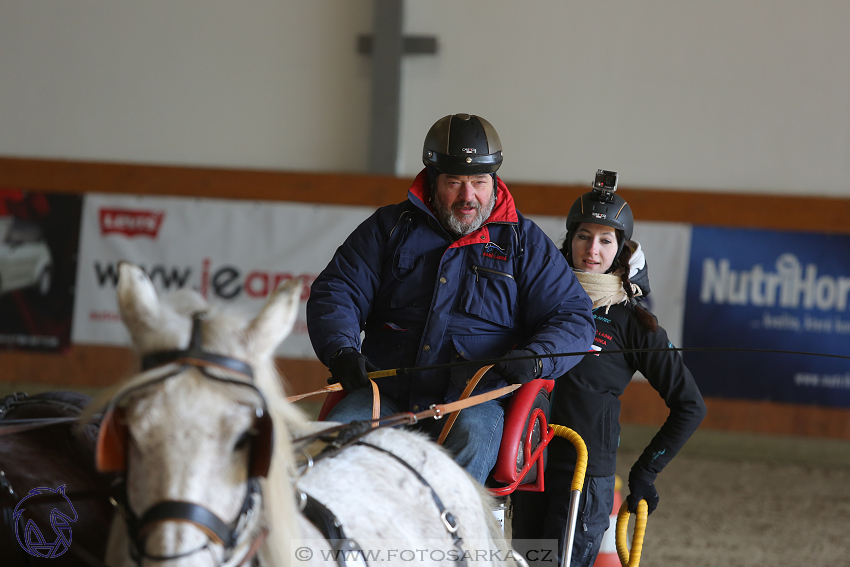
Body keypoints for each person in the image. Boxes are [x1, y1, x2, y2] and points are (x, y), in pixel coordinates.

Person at [306, 113, 595, 485]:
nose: (468, 197)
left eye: (479, 182)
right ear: (431, 180)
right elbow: (337, 291)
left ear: (494, 181)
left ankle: (443, 542)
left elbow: (572, 317)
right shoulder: (388, 228)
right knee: (332, 442)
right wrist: (341, 350)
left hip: (475, 401)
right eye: (454, 182)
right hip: (384, 392)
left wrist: (537, 358)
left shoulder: (524, 242)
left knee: (472, 440)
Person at [510, 175, 707, 566]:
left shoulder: (634, 323)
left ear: (619, 250)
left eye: (605, 240)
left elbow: (690, 405)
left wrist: (645, 473)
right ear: (569, 241)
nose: (592, 250)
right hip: (530, 470)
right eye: (584, 236)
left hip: (583, 480)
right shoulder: (535, 303)